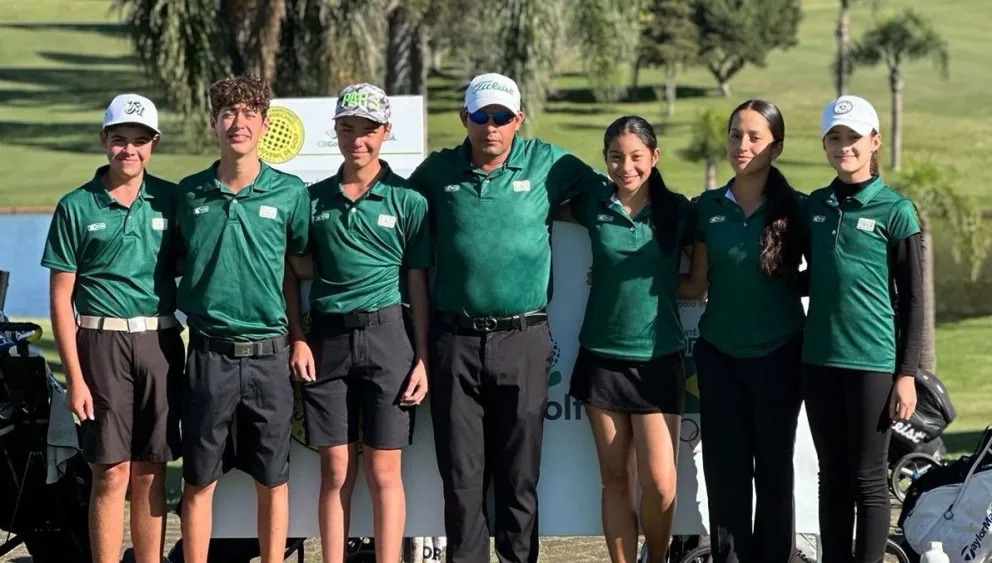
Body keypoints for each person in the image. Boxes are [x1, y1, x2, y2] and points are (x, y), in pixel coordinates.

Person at [407, 72, 599, 563]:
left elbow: (618, 192)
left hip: (524, 338)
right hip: (456, 341)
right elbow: (395, 210)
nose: (490, 127)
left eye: (501, 117)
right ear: (464, 119)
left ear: (519, 119)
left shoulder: (550, 163)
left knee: (519, 478)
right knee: (463, 479)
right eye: (480, 116)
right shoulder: (437, 172)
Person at [285, 83, 431, 563]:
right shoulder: (313, 200)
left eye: (368, 130)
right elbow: (292, 268)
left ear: (386, 131)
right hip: (328, 338)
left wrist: (422, 358)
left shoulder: (408, 201)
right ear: (336, 131)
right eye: (347, 129)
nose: (357, 140)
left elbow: (417, 287)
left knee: (385, 472)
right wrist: (299, 338)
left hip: (390, 338)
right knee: (335, 469)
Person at [41, 93, 183, 563]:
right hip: (100, 342)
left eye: (140, 141)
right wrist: (74, 378)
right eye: (119, 139)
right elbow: (60, 297)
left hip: (160, 343)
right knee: (111, 471)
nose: (129, 151)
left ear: (154, 144)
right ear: (104, 140)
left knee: (151, 470)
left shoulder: (171, 199)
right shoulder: (76, 206)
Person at [174, 75, 311, 563]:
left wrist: (299, 337)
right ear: (214, 122)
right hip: (208, 355)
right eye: (228, 113)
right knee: (198, 479)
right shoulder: (189, 195)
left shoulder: (291, 193)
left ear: (264, 123)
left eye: (249, 113)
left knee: (272, 479)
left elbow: (299, 269)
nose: (239, 122)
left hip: (269, 356)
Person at [557, 116, 694, 563]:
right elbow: (543, 208)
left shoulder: (679, 211)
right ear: (605, 160)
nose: (626, 167)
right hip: (602, 357)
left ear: (654, 157)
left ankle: (655, 558)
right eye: (616, 157)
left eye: (636, 157)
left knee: (660, 482)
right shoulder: (593, 203)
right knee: (615, 479)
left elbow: (700, 281)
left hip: (658, 357)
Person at [681, 100, 807, 563]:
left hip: (780, 355)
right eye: (736, 135)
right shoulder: (707, 207)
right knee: (726, 473)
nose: (743, 145)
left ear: (776, 147)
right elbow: (695, 284)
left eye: (755, 137)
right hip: (719, 356)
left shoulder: (799, 209)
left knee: (774, 473)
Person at [802, 95, 921, 563]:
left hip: (873, 362)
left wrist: (906, 373)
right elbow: (810, 275)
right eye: (835, 138)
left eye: (853, 138)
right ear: (825, 145)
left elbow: (913, 298)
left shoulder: (896, 210)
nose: (844, 146)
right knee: (830, 475)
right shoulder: (815, 206)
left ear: (874, 142)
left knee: (869, 478)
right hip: (818, 361)